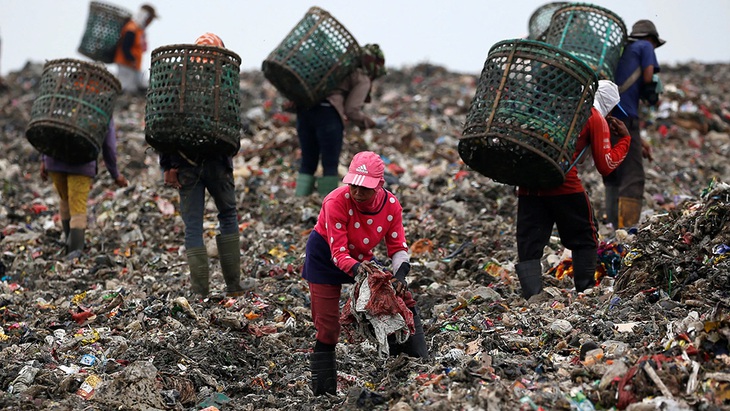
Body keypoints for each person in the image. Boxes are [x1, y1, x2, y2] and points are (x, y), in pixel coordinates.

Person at [302, 151, 428, 395]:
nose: (357, 193)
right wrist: (361, 270)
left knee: (400, 298)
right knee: (328, 327)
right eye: (353, 186)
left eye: (365, 188)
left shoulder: (391, 206)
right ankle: (323, 391)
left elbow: (398, 248)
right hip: (325, 257)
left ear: (380, 185)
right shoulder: (335, 201)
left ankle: (414, 364)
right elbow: (338, 254)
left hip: (360, 256)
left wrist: (399, 276)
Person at [515, 80, 632, 300]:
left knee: (529, 241)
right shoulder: (593, 116)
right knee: (585, 237)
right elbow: (606, 166)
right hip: (564, 187)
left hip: (528, 186)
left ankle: (532, 297)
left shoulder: (550, 109)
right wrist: (624, 140)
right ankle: (584, 291)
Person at [159, 33, 247, 298]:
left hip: (185, 164)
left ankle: (200, 292)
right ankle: (233, 286)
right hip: (218, 163)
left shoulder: (179, 82)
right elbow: (232, 127)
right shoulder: (224, 80)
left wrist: (168, 164)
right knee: (227, 216)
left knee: (194, 227)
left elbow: (163, 127)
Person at [294, 44, 386, 197]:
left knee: (307, 162)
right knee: (330, 164)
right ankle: (329, 205)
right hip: (328, 115)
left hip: (304, 112)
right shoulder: (361, 76)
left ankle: (299, 201)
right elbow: (352, 110)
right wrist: (371, 123)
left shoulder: (333, 68)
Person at [602, 19, 664, 229]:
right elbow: (648, 77)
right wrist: (652, 91)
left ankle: (612, 229)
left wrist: (641, 142)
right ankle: (626, 234)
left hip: (605, 119)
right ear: (651, 39)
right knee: (633, 177)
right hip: (625, 118)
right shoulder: (645, 46)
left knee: (612, 174)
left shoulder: (621, 52)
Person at [40, 118, 128, 259]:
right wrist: (115, 174)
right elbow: (109, 145)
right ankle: (74, 255)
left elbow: (47, 127)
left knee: (65, 199)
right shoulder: (99, 105)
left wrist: (44, 159)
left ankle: (69, 242)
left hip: (54, 159)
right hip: (81, 162)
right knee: (78, 209)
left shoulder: (61, 99)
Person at [114, 4, 158, 94]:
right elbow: (125, 47)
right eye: (149, 19)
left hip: (132, 66)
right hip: (125, 64)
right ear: (144, 16)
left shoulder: (139, 30)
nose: (150, 22)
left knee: (137, 87)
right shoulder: (131, 28)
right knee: (127, 88)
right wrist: (131, 59)